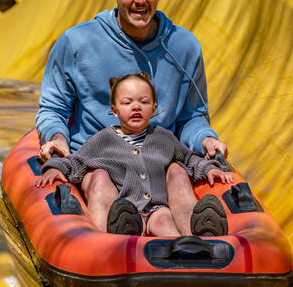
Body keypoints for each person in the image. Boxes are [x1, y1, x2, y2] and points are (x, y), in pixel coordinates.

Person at [35, 0, 228, 235]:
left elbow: (192, 117)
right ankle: (111, 247)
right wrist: (57, 136)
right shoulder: (77, 43)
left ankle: (197, 244)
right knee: (100, 181)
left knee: (177, 173)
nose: (140, 1)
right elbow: (53, 108)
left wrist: (206, 139)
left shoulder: (184, 47)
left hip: (157, 161)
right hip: (100, 162)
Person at [35, 73, 234, 236]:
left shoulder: (163, 138)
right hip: (125, 212)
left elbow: (188, 159)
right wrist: (53, 167)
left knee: (166, 224)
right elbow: (76, 162)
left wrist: (209, 169)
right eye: (127, 102)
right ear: (115, 110)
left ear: (154, 109)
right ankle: (108, 243)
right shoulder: (103, 140)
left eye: (143, 102)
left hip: (157, 209)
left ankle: (195, 242)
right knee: (123, 221)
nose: (136, 107)